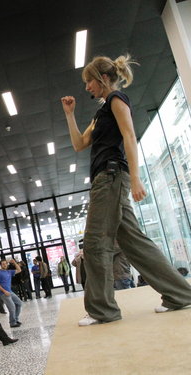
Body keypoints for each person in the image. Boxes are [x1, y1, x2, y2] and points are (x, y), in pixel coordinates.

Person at [61, 54, 191, 326]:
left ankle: (102, 310)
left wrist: (136, 178)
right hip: (106, 178)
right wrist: (70, 115)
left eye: (89, 82)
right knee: (135, 243)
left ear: (103, 78)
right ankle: (181, 294)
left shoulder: (116, 100)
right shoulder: (101, 112)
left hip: (111, 177)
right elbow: (79, 144)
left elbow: (130, 136)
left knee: (95, 242)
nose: (87, 88)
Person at [0, 259, 23, 328]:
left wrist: (14, 263)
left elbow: (19, 270)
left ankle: (15, 319)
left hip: (9, 291)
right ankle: (12, 323)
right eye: (3, 264)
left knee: (19, 303)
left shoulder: (9, 272)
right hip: (3, 293)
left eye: (5, 264)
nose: (4, 265)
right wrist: (4, 291)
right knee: (12, 307)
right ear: (0, 265)